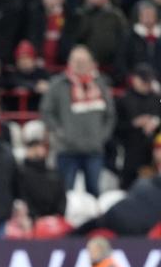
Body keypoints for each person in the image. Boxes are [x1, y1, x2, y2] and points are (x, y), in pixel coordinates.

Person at [40, 46, 116, 196]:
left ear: (91, 63)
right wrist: (60, 132)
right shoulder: (58, 84)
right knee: (64, 193)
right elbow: (46, 111)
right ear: (69, 62)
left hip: (94, 149)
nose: (80, 65)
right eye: (76, 61)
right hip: (67, 149)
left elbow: (110, 115)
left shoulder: (100, 84)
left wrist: (101, 136)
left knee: (93, 192)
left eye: (83, 61)